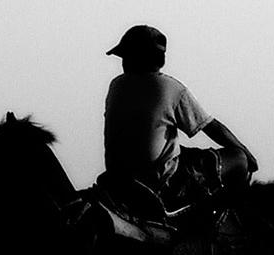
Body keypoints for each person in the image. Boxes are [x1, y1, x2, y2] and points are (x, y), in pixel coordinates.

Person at [103, 24, 256, 213]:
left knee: (184, 152)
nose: (123, 62)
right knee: (238, 158)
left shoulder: (116, 85)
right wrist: (246, 152)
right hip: (160, 182)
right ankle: (225, 227)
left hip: (120, 180)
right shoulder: (170, 88)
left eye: (126, 57)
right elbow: (210, 127)